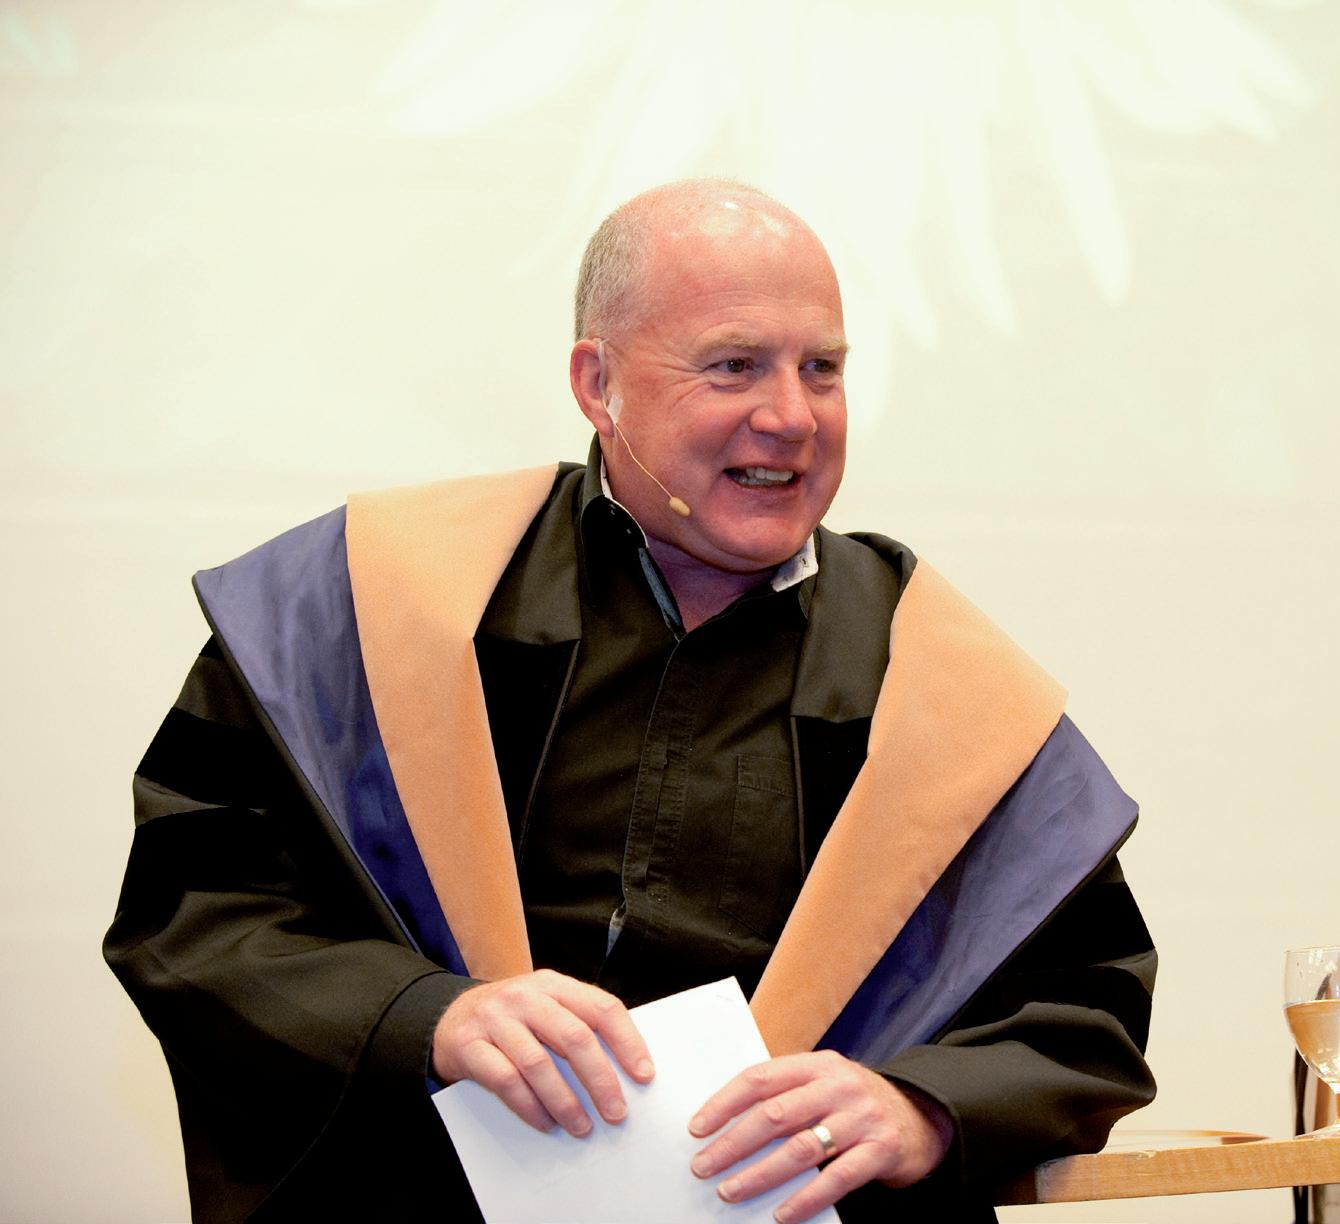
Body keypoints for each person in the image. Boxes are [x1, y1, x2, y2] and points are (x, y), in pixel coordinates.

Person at [105, 180, 1156, 1223]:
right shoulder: (384, 606)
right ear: (597, 382)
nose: (791, 416)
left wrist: (924, 1107)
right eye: (734, 365)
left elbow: (1084, 1004)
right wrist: (425, 1018)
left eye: (822, 369)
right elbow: (198, 914)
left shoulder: (935, 678)